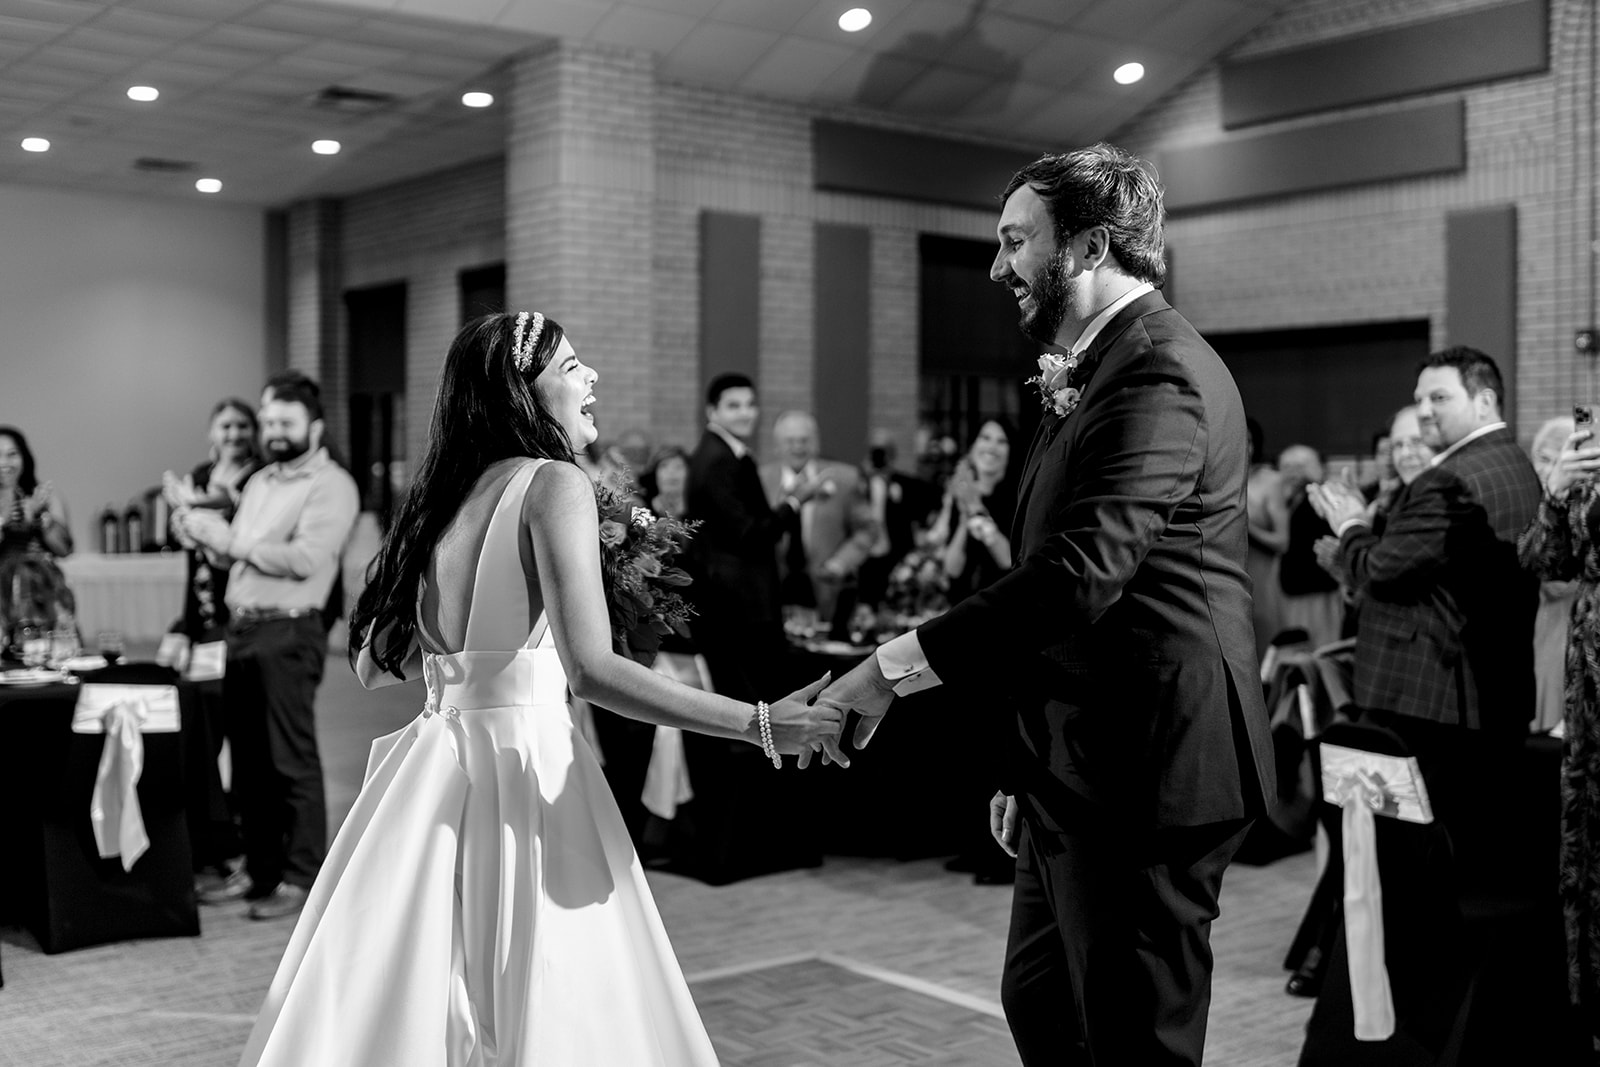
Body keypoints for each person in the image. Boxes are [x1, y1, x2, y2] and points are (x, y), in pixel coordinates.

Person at [234, 311, 842, 1066]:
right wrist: (758, 722)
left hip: (430, 772)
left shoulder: (437, 503)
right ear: (524, 393)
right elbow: (590, 670)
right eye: (573, 366)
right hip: (521, 768)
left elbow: (371, 660)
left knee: (426, 994)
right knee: (550, 992)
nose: (592, 380)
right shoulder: (555, 484)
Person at [818, 143, 1275, 1066]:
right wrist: (1021, 766)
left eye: (1016, 241)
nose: (997, 267)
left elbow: (1078, 573)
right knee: (1042, 1003)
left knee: (1130, 1037)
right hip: (1077, 760)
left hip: (1150, 767)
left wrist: (888, 667)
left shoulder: (1158, 372)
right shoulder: (1094, 367)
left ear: (1092, 245)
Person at [177, 376, 360, 922]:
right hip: (242, 628)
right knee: (250, 762)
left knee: (290, 758)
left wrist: (228, 540)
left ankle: (302, 877)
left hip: (290, 631)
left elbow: (305, 559)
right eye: (269, 422)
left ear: (314, 426)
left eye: (286, 422)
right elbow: (236, 558)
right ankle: (257, 870)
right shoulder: (258, 482)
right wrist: (198, 530)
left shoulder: (333, 485)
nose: (274, 432)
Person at [1519, 411, 1600, 1041]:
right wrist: (1556, 490)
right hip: (1589, 688)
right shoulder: (1587, 451)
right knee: (1588, 852)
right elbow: (1544, 562)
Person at [163, 398, 265, 881]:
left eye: (243, 425)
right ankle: (210, 836)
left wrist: (192, 507)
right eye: (226, 425)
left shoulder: (256, 478)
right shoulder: (200, 474)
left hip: (239, 618)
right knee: (201, 729)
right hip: (202, 620)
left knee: (234, 726)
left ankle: (238, 835)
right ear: (212, 431)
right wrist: (182, 626)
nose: (235, 433)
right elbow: (192, 562)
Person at [758, 410, 876, 631]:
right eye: (790, 441)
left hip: (828, 590)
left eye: (804, 440)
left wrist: (841, 562)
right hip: (774, 591)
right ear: (777, 445)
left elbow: (867, 530)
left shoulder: (844, 479)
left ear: (815, 443)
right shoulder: (760, 480)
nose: (797, 447)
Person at [1527, 415, 1580, 735]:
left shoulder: (1585, 511)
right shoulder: (1532, 504)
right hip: (1532, 627)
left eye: (1559, 460)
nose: (1548, 470)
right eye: (1543, 459)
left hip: (1567, 631)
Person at [0, 426, 75, 645]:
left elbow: (65, 549)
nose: (4, 462)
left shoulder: (45, 496)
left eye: (12, 454)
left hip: (42, 595)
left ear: (24, 457)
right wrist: (4, 519)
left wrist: (40, 516)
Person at [931, 418, 1017, 605]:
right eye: (985, 438)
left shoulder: (1016, 496)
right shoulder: (962, 493)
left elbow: (1008, 560)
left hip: (1001, 604)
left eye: (1001, 441)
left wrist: (977, 508)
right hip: (961, 605)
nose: (991, 447)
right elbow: (952, 569)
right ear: (974, 445)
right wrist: (964, 518)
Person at [856, 430, 940, 610]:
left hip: (897, 560)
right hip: (863, 560)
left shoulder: (907, 485)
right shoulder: (857, 486)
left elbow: (934, 502)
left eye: (883, 451)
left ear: (892, 455)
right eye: (875, 451)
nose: (879, 457)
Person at [1276, 444, 1343, 647]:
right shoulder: (1291, 500)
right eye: (1287, 468)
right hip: (1299, 587)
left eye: (1298, 467)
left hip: (1317, 588)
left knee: (1319, 649)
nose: (1292, 474)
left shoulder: (1318, 498)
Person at [1245, 418, 1288, 660]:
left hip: (1262, 582)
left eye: (1249, 441)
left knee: (1264, 657)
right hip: (1221, 581)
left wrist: (1247, 526)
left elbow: (1283, 541)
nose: (1244, 447)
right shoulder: (1214, 478)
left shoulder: (1271, 481)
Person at [644, 445, 690, 520]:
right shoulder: (642, 512)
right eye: (664, 466)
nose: (671, 472)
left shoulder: (703, 511)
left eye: (678, 466)